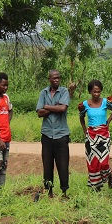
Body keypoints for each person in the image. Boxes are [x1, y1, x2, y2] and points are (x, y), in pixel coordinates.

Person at [37, 70, 71, 198]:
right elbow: (39, 113)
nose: (56, 80)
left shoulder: (64, 91)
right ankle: (49, 191)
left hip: (61, 134)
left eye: (58, 78)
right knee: (47, 165)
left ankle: (64, 192)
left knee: (63, 165)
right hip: (47, 135)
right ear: (49, 79)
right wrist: (54, 107)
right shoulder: (43, 92)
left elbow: (63, 108)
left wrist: (46, 106)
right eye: (54, 78)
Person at [80, 79, 112, 191]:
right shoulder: (85, 104)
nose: (96, 94)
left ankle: (110, 174)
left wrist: (108, 121)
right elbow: (81, 117)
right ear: (90, 92)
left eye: (98, 91)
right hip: (91, 136)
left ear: (101, 91)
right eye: (94, 92)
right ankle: (96, 187)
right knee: (93, 162)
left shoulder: (106, 102)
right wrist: (85, 131)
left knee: (103, 162)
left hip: (103, 135)